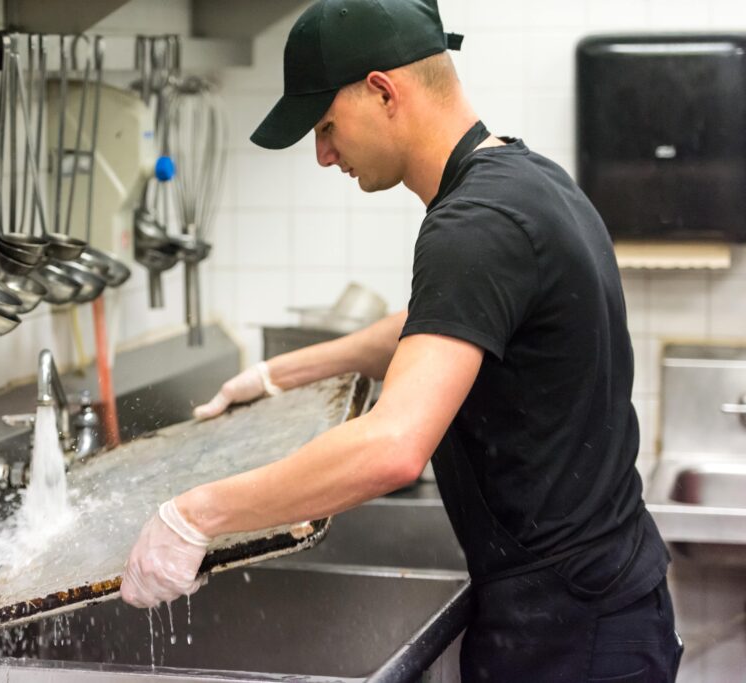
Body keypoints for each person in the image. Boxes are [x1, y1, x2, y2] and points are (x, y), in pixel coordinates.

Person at [120, 0, 684, 680]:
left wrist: (194, 514)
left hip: (567, 632)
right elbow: (444, 325)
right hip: (603, 599)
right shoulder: (527, 180)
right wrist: (281, 373)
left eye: (326, 126)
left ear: (384, 90)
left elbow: (392, 449)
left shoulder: (472, 222)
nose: (324, 155)